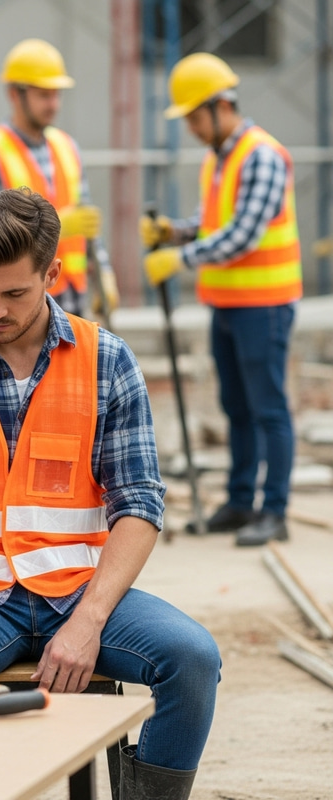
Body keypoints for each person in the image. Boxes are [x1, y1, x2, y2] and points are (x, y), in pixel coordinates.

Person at [0, 188, 220, 799]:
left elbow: (138, 503)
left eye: (14, 293)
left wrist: (89, 620)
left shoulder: (107, 360)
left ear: (52, 273)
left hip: (78, 589)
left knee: (192, 657)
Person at [141, 52, 302, 548]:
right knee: (236, 406)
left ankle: (273, 510)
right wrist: (175, 232)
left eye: (192, 115)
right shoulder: (220, 158)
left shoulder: (262, 155)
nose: (189, 126)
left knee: (268, 407)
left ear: (218, 106)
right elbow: (212, 223)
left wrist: (181, 257)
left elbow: (243, 235)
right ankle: (238, 502)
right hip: (229, 305)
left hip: (265, 305)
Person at [0, 38, 119, 321]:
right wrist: (60, 224)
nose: (54, 104)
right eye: (44, 95)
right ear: (14, 94)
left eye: (56, 94)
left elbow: (85, 222)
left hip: (71, 293)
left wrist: (103, 272)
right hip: (20, 303)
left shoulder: (67, 147)